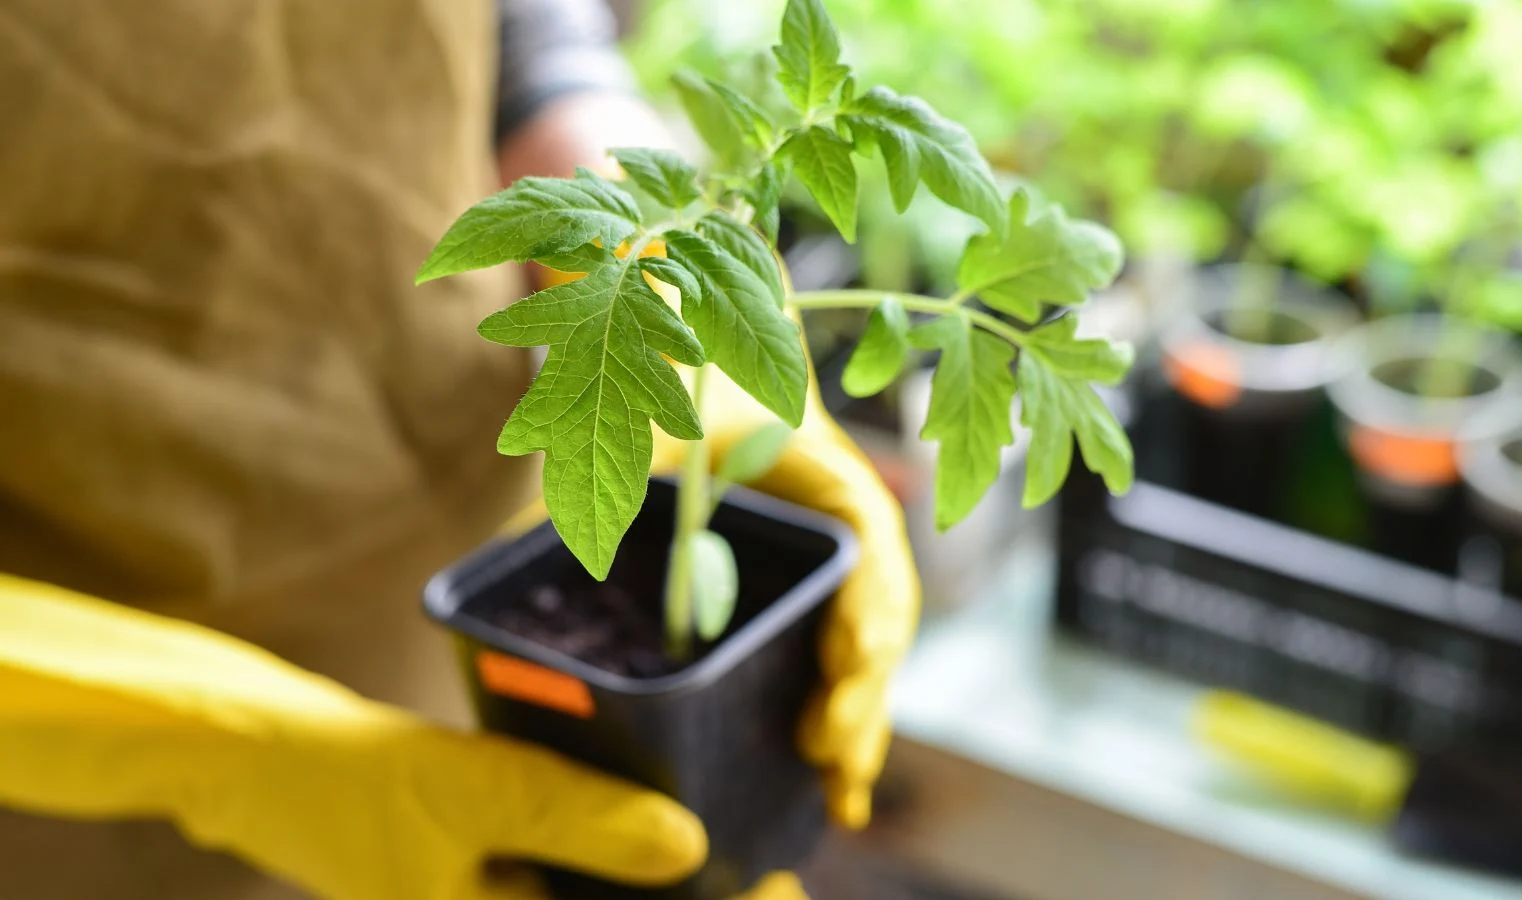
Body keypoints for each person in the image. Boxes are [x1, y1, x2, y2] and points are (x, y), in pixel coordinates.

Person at [0, 0, 919, 897]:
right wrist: (208, 743)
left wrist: (675, 293)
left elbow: (524, 42)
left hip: (466, 598)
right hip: (76, 765)